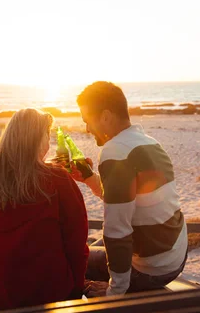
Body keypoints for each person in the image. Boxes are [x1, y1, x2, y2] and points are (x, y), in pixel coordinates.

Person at [71, 81, 188, 297]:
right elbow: (130, 200)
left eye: (88, 121)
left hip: (151, 269)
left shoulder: (115, 151)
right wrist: (89, 178)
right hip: (175, 256)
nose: (87, 129)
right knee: (92, 247)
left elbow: (117, 231)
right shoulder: (149, 143)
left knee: (72, 259)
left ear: (105, 116)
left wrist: (115, 292)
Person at [0, 108, 89, 309]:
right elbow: (77, 242)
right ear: (38, 139)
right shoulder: (57, 181)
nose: (49, 141)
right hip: (49, 291)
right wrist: (76, 290)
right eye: (48, 135)